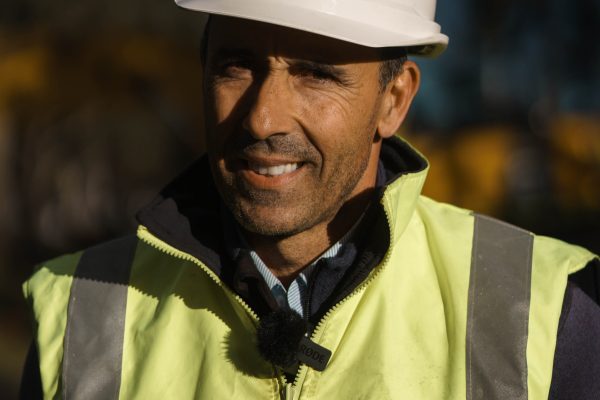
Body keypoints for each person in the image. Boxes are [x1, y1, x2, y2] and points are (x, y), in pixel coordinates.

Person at [20, 0, 600, 399]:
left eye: (316, 74)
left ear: (394, 100)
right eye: (236, 66)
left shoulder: (547, 311)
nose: (263, 117)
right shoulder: (80, 310)